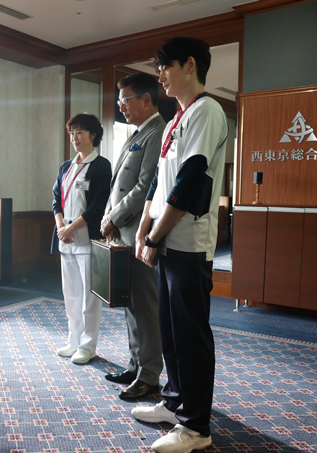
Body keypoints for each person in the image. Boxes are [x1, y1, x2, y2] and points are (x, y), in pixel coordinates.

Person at [131, 37, 228, 453]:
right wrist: (143, 229)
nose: (160, 77)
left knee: (190, 335)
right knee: (170, 331)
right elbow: (158, 181)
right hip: (165, 240)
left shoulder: (207, 111)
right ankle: (174, 403)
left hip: (188, 243)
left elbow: (190, 181)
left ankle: (195, 427)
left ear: (190, 65)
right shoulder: (176, 119)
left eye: (165, 67)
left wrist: (154, 236)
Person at [101, 73, 165, 400]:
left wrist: (113, 217)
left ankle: (150, 374)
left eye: (125, 100)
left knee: (145, 305)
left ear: (146, 99)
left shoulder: (158, 131)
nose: (121, 106)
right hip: (122, 232)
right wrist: (108, 217)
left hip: (140, 233)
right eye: (119, 100)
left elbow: (145, 187)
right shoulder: (136, 133)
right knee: (130, 303)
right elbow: (117, 185)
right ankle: (135, 364)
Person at [51, 113, 111, 364]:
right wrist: (61, 228)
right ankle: (73, 341)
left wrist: (71, 228)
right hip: (66, 239)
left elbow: (97, 206)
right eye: (72, 133)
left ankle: (87, 346)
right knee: (71, 294)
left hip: (87, 238)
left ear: (93, 135)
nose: (75, 138)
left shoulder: (101, 165)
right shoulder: (66, 167)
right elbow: (56, 200)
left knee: (89, 296)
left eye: (80, 132)